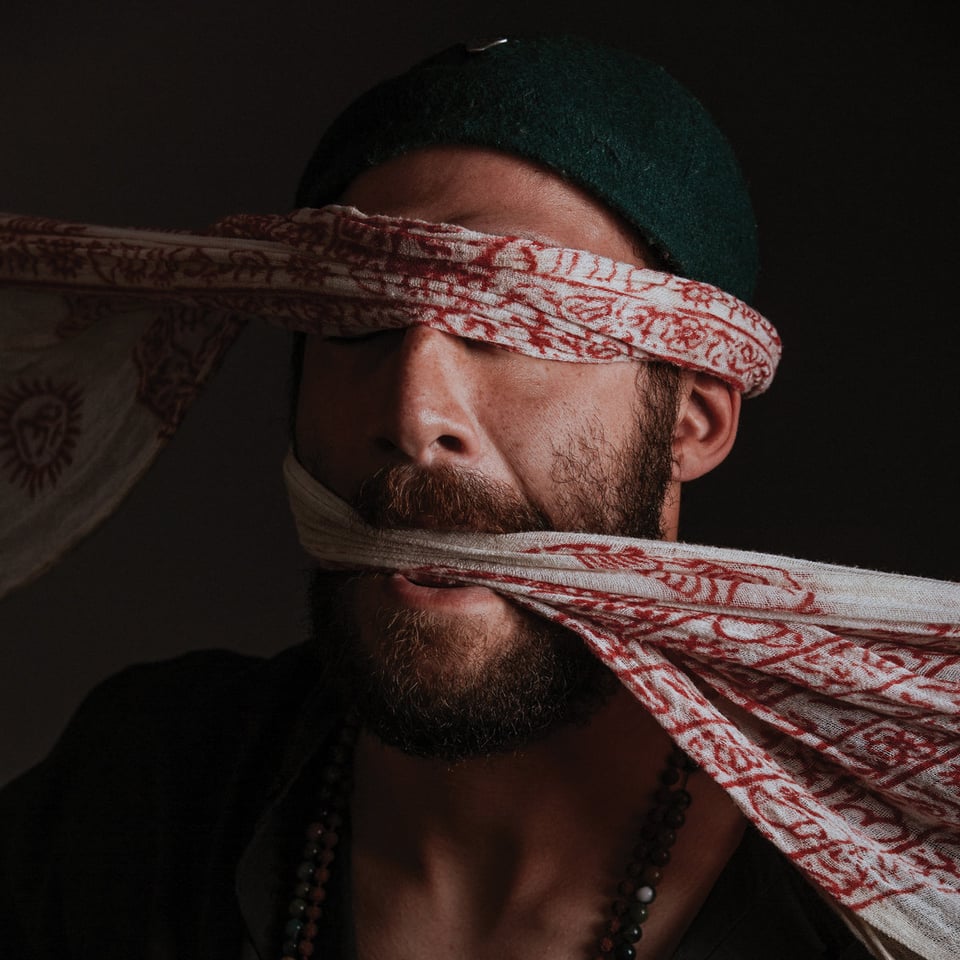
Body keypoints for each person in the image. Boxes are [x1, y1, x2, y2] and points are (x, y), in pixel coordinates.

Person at [0, 36, 956, 960]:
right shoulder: (141, 800)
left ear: (691, 423)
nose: (415, 416)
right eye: (358, 325)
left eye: (515, 326)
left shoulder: (877, 905)